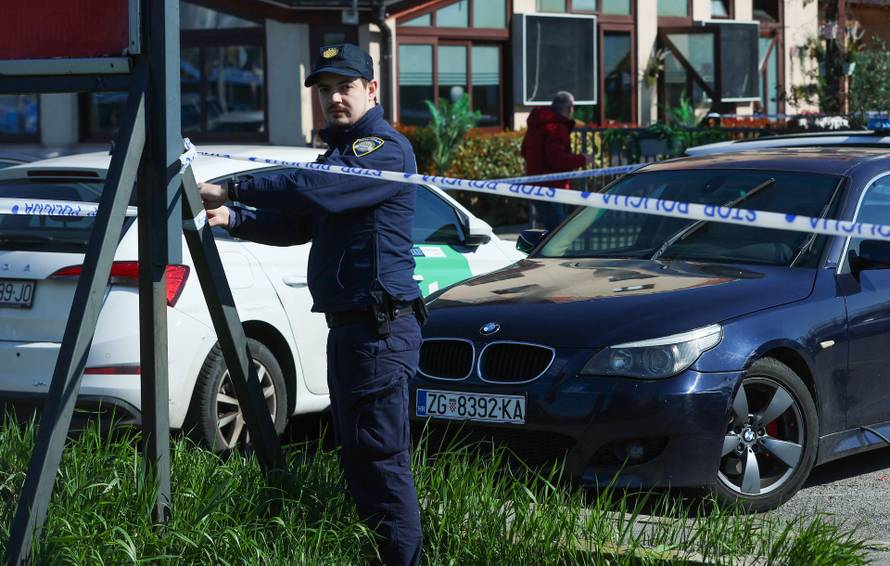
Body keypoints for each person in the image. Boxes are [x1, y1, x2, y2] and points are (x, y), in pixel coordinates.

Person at [197, 43, 425, 566]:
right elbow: (303, 222)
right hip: (352, 331)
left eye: (344, 87)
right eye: (325, 90)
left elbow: (314, 189)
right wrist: (236, 220)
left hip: (379, 331)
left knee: (381, 462)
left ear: (372, 90)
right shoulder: (341, 156)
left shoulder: (384, 150)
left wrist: (230, 188)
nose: (333, 99)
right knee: (360, 460)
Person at [520, 91, 593, 231]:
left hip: (535, 184)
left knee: (550, 231)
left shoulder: (537, 125)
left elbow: (524, 151)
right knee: (559, 234)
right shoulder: (556, 128)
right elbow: (557, 160)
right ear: (570, 108)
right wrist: (582, 159)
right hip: (551, 188)